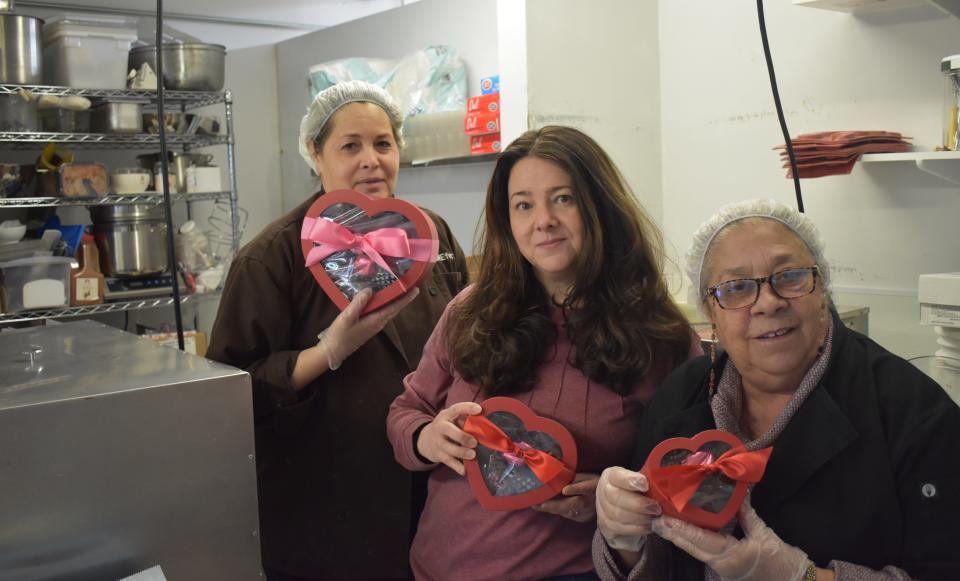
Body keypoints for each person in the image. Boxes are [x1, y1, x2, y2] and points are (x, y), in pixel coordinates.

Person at [386, 125, 700, 581]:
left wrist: (612, 502)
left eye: (563, 199)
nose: (543, 221)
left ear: (600, 206)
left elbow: (688, 478)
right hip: (436, 565)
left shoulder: (660, 334)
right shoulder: (470, 310)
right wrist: (425, 438)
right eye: (524, 205)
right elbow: (405, 410)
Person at [593, 199, 960, 581]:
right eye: (735, 288)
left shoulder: (915, 412)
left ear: (822, 289)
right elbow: (658, 564)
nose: (768, 303)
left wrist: (804, 577)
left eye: (790, 276)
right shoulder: (679, 396)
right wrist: (624, 540)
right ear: (710, 312)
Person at [206, 80, 468, 580]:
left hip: (430, 491)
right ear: (314, 152)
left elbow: (467, 336)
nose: (371, 159)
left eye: (383, 143)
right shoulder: (270, 259)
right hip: (326, 511)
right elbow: (232, 393)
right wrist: (327, 352)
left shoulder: (430, 235)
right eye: (350, 145)